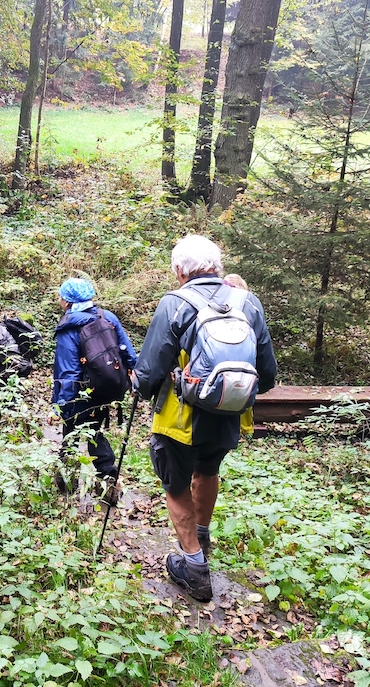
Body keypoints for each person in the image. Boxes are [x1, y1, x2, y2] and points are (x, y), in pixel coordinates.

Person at [133, 235, 277, 602]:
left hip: (180, 419)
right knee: (207, 471)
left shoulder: (175, 303)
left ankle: (194, 567)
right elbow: (269, 375)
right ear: (217, 266)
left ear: (179, 270)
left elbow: (148, 375)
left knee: (175, 483)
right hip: (230, 414)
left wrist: (139, 385)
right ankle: (202, 534)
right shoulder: (249, 302)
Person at [51, 277, 137, 503]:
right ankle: (108, 482)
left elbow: (67, 372)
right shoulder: (107, 317)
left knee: (70, 434)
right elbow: (128, 353)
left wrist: (61, 405)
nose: (59, 299)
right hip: (105, 390)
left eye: (61, 296)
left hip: (80, 393)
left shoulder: (68, 327)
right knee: (95, 431)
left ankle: (67, 484)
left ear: (68, 301)